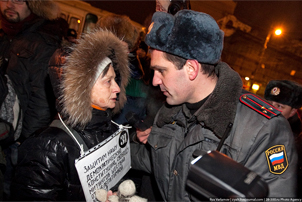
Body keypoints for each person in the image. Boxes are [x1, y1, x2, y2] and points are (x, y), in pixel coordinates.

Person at [130, 10, 297, 200]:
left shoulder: (265, 130)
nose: (155, 81)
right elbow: (153, 159)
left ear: (191, 69)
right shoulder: (170, 110)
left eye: (161, 71)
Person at [10, 30, 130, 201]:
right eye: (107, 81)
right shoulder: (47, 147)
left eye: (115, 80)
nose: (117, 88)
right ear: (82, 87)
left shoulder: (108, 128)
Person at [0, 0, 62, 199]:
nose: (9, 4)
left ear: (33, 5)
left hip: (16, 142)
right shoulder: (6, 34)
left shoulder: (43, 41)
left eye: (18, 0)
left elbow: (43, 98)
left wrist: (26, 142)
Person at [264, 79, 302, 197]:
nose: (271, 108)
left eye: (280, 106)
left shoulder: (295, 142)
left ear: (292, 112)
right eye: (269, 103)